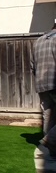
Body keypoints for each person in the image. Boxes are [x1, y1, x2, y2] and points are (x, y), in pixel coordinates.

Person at [31, 22, 56, 155]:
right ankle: (48, 140)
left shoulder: (38, 42)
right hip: (54, 82)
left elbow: (32, 66)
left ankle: (50, 149)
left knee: (48, 115)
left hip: (41, 84)